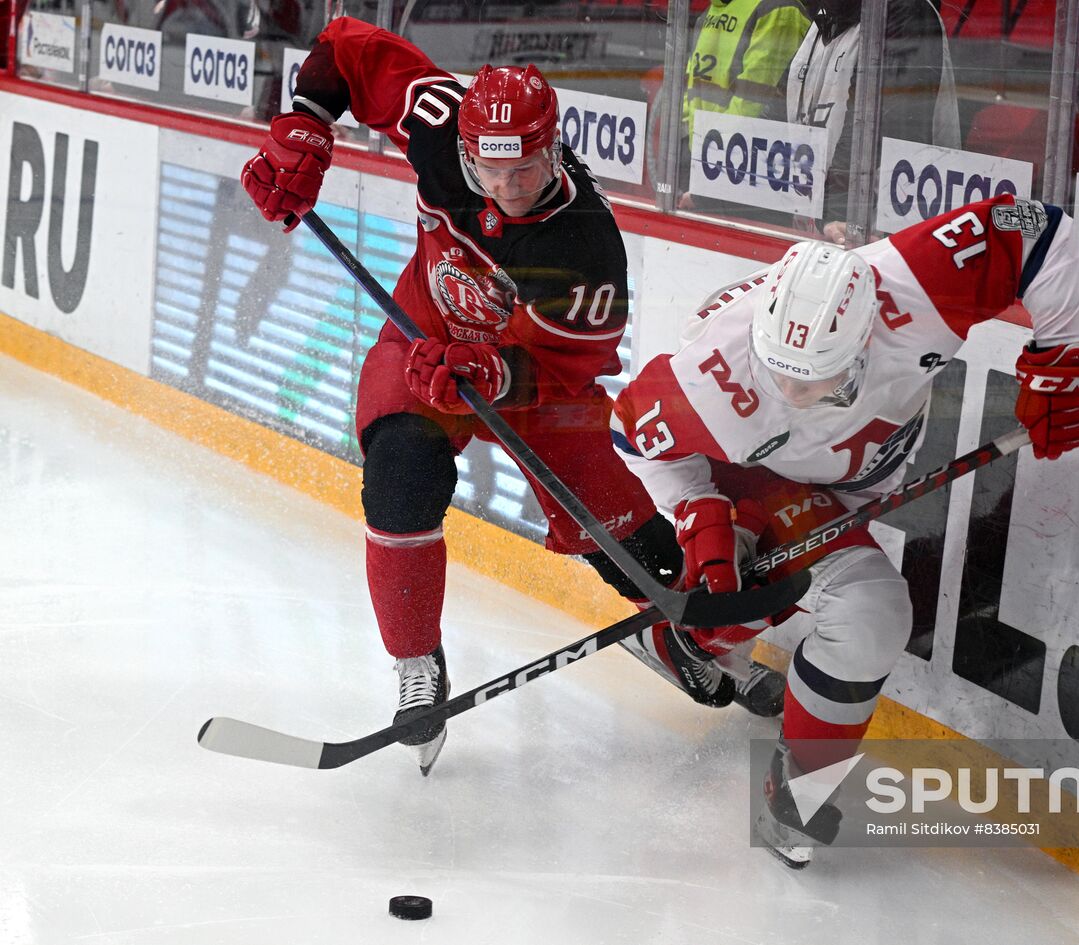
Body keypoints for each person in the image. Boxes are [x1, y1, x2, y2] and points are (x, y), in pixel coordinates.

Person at [239, 17, 777, 776]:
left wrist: (490, 374)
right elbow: (345, 50)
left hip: (531, 384)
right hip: (421, 335)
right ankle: (417, 661)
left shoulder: (584, 245)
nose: (507, 188)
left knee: (616, 531)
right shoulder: (435, 120)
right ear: (463, 149)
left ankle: (673, 628)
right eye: (489, 172)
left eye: (525, 171)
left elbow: (565, 369)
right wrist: (305, 127)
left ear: (553, 149)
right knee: (399, 472)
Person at [610, 193, 1079, 866]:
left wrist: (1067, 357)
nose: (791, 391)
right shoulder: (716, 375)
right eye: (779, 372)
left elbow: (1041, 231)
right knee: (838, 601)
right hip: (749, 476)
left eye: (815, 379)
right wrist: (703, 520)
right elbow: (635, 431)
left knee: (851, 608)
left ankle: (706, 659)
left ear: (868, 335)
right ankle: (701, 644)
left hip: (840, 487)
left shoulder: (917, 281)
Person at [787, 0, 962, 246]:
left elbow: (879, 126)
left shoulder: (904, 11)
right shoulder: (825, 17)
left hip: (877, 237)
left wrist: (837, 212)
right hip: (819, 230)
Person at [672, 0, 812, 210]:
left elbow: (752, 102)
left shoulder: (777, 8)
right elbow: (691, 88)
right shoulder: (713, 10)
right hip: (714, 165)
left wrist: (710, 170)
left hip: (751, 173)